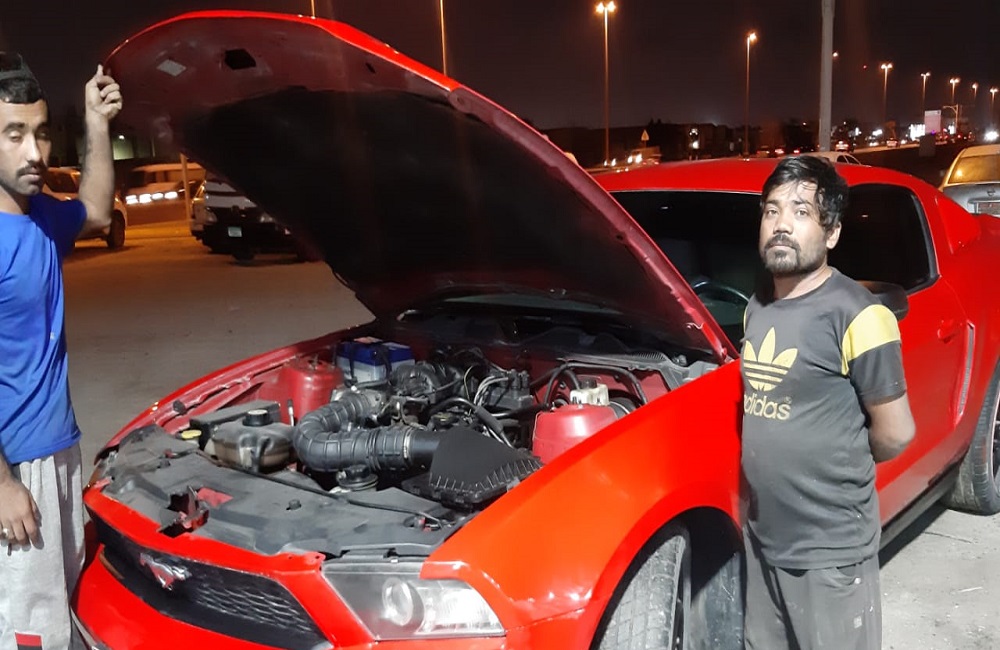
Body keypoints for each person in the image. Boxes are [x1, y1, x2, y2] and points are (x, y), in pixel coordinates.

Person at [740, 155, 916, 650]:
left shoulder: (858, 315)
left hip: (829, 549)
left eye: (801, 212)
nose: (781, 225)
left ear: (832, 233)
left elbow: (896, 432)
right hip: (764, 537)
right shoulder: (757, 307)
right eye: (772, 211)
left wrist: (838, 460)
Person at [0, 52, 122, 649]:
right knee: (29, 630)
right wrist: (1, 484)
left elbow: (95, 210)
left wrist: (96, 122)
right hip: (15, 466)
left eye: (42, 133)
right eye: (13, 134)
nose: (35, 153)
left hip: (58, 452)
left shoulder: (41, 216)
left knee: (67, 609)